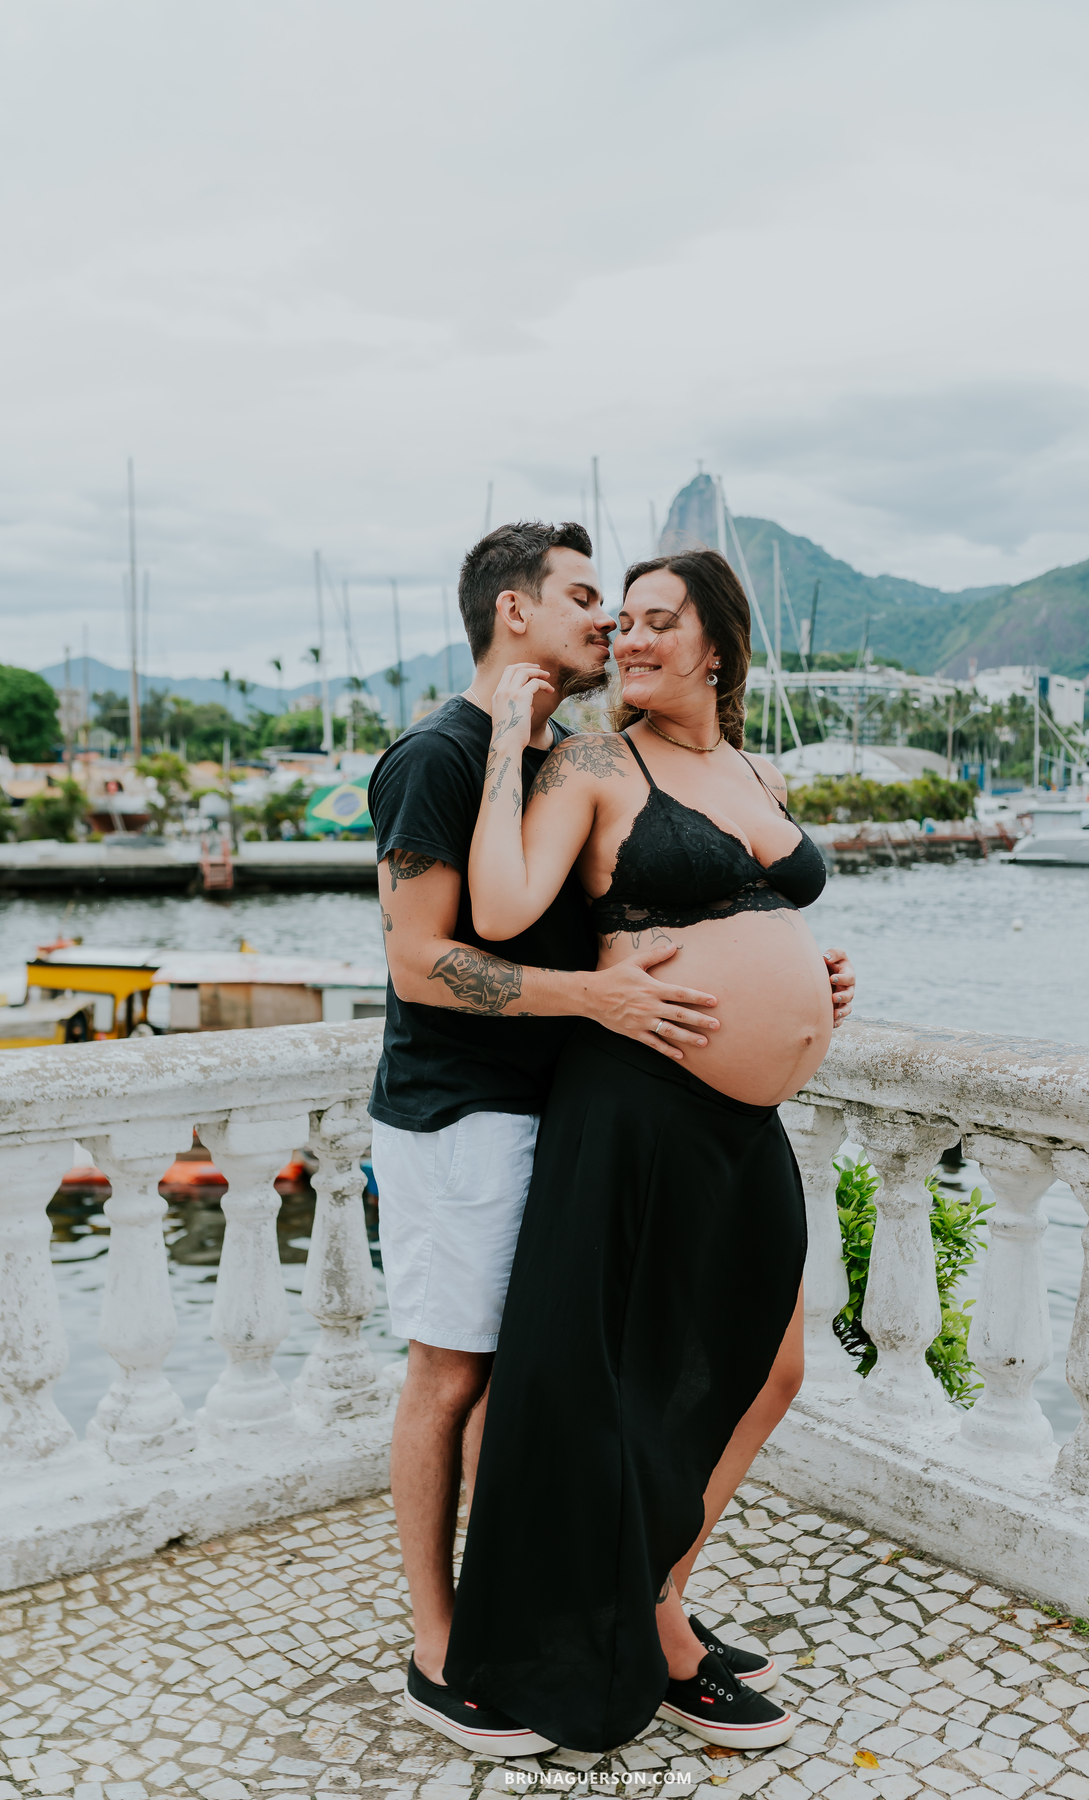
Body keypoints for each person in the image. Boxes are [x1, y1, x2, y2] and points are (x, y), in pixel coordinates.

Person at [444, 548, 846, 1754]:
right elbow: (505, 909)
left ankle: (658, 1588)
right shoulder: (591, 762)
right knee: (602, 1390)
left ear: (716, 646)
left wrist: (807, 974)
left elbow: (756, 910)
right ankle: (645, 1631)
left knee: (769, 1372)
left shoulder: (755, 768)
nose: (630, 639)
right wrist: (512, 751)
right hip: (639, 1105)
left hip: (743, 1121)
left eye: (658, 622)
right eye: (622, 622)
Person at [369, 522, 731, 1759]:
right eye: (584, 597)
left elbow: (581, 929)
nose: (608, 621)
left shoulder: (563, 753)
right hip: (457, 1116)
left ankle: (524, 1623)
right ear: (511, 613)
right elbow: (422, 967)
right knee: (451, 1376)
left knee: (529, 1388)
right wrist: (603, 999)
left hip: (559, 1122)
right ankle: (436, 1645)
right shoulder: (438, 755)